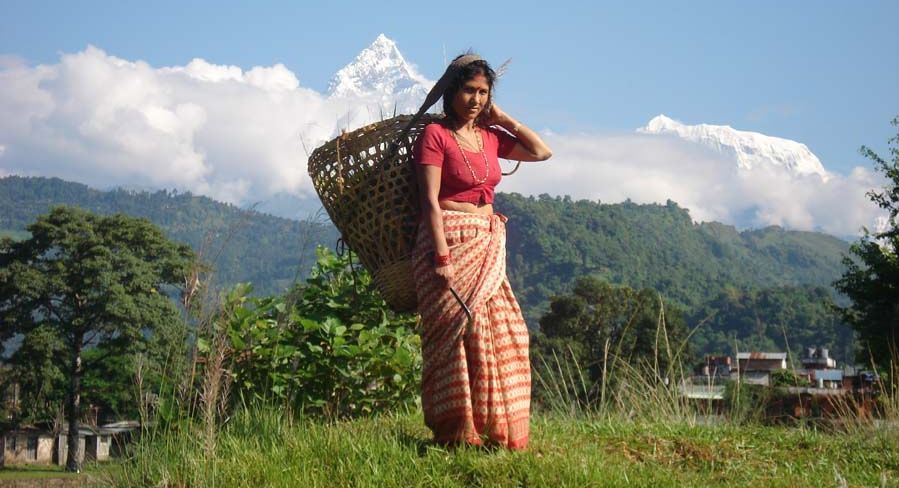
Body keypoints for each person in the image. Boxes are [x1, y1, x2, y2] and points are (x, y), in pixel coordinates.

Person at [411, 53, 552, 450]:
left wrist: (504, 119)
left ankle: (498, 430)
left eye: (483, 92)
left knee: (507, 334)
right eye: (468, 91)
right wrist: (440, 257)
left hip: (487, 241)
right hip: (449, 244)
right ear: (452, 93)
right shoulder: (436, 136)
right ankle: (456, 432)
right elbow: (429, 202)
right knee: (457, 342)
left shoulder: (491, 137)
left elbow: (542, 152)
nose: (475, 99)